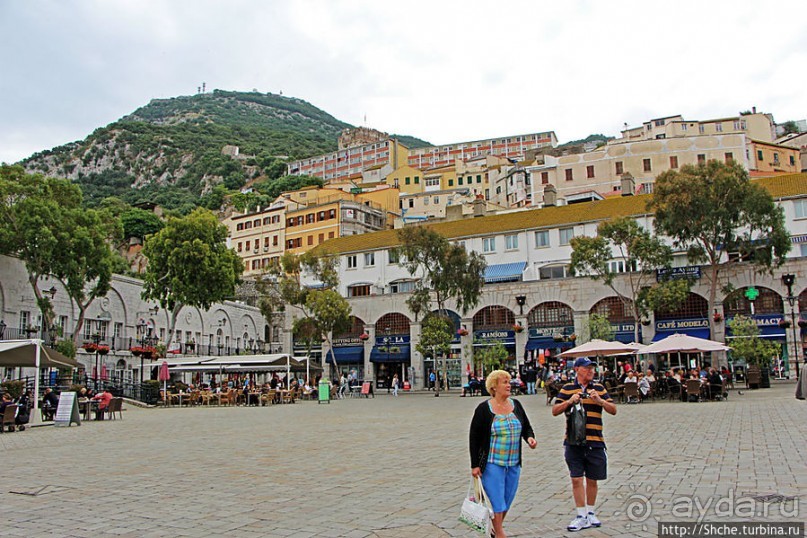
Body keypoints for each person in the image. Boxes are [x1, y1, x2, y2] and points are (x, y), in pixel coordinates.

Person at [469, 370, 537, 538]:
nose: (509, 385)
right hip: (493, 463)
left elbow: (526, 427)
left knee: (506, 500)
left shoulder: (516, 405)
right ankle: (500, 533)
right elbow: (474, 437)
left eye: (509, 381)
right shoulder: (484, 409)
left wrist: (530, 438)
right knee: (498, 502)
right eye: (505, 382)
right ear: (494, 387)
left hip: (513, 463)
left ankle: (495, 530)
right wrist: (475, 464)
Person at [552, 358, 617, 532]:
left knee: (592, 479)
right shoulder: (567, 388)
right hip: (574, 441)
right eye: (587, 368)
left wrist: (600, 401)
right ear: (577, 369)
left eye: (592, 369)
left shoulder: (599, 388)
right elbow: (555, 410)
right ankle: (581, 515)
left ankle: (590, 511)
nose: (590, 371)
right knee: (576, 478)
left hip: (595, 440)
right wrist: (569, 401)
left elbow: (613, 409)